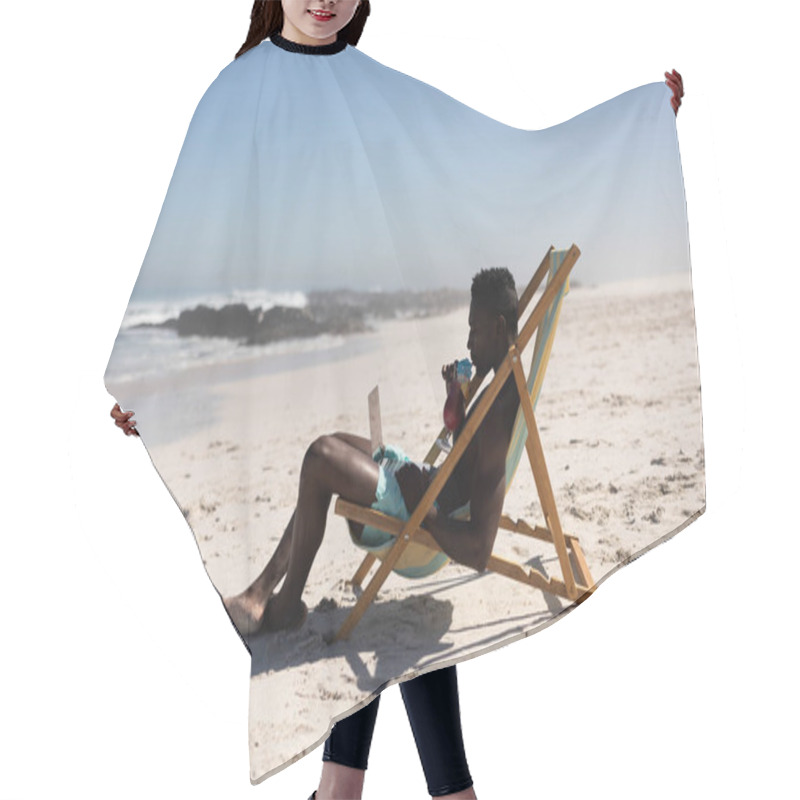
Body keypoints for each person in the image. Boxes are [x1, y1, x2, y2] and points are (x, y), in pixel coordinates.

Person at [109, 3, 685, 798]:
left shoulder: (371, 85)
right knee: (339, 474)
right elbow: (194, 234)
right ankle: (360, 760)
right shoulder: (235, 91)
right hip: (408, 471)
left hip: (421, 506)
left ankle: (330, 722)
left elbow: (481, 156)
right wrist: (145, 385)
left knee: (323, 468)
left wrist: (638, 120)